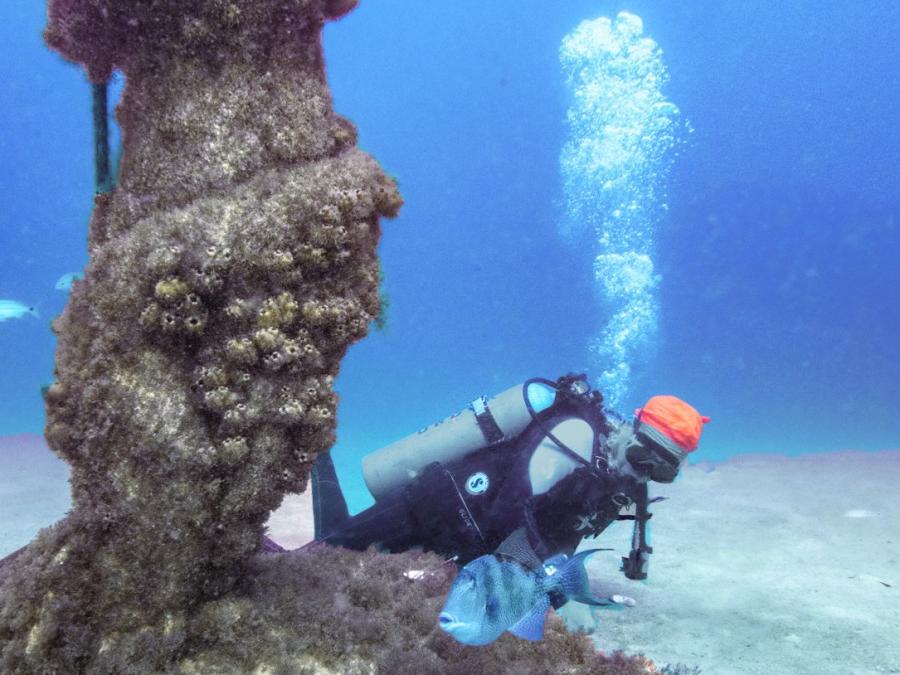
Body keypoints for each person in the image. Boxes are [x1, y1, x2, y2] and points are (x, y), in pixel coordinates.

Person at [309, 373, 709, 585]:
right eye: (643, 456)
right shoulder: (576, 434)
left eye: (663, 470)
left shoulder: (621, 482)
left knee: (350, 572)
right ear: (631, 430)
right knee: (319, 555)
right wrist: (552, 584)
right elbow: (508, 511)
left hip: (470, 544)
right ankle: (316, 449)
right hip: (436, 506)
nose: (644, 472)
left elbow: (565, 531)